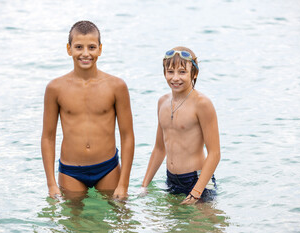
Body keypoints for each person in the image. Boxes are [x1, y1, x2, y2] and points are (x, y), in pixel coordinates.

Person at [41, 20, 134, 200]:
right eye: (78, 47)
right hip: (71, 171)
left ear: (100, 49)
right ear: (69, 49)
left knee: (117, 221)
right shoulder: (55, 88)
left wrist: (124, 184)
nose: (85, 53)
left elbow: (127, 135)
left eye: (91, 47)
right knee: (74, 226)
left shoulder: (116, 86)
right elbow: (47, 136)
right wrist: (51, 184)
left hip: (108, 168)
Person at [141, 46, 220, 204]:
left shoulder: (202, 104)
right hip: (172, 181)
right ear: (164, 73)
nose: (175, 78)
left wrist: (196, 192)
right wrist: (144, 185)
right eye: (170, 72)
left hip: (197, 180)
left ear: (194, 73)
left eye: (182, 72)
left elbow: (215, 153)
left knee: (203, 227)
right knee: (174, 229)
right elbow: (159, 148)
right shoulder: (162, 102)